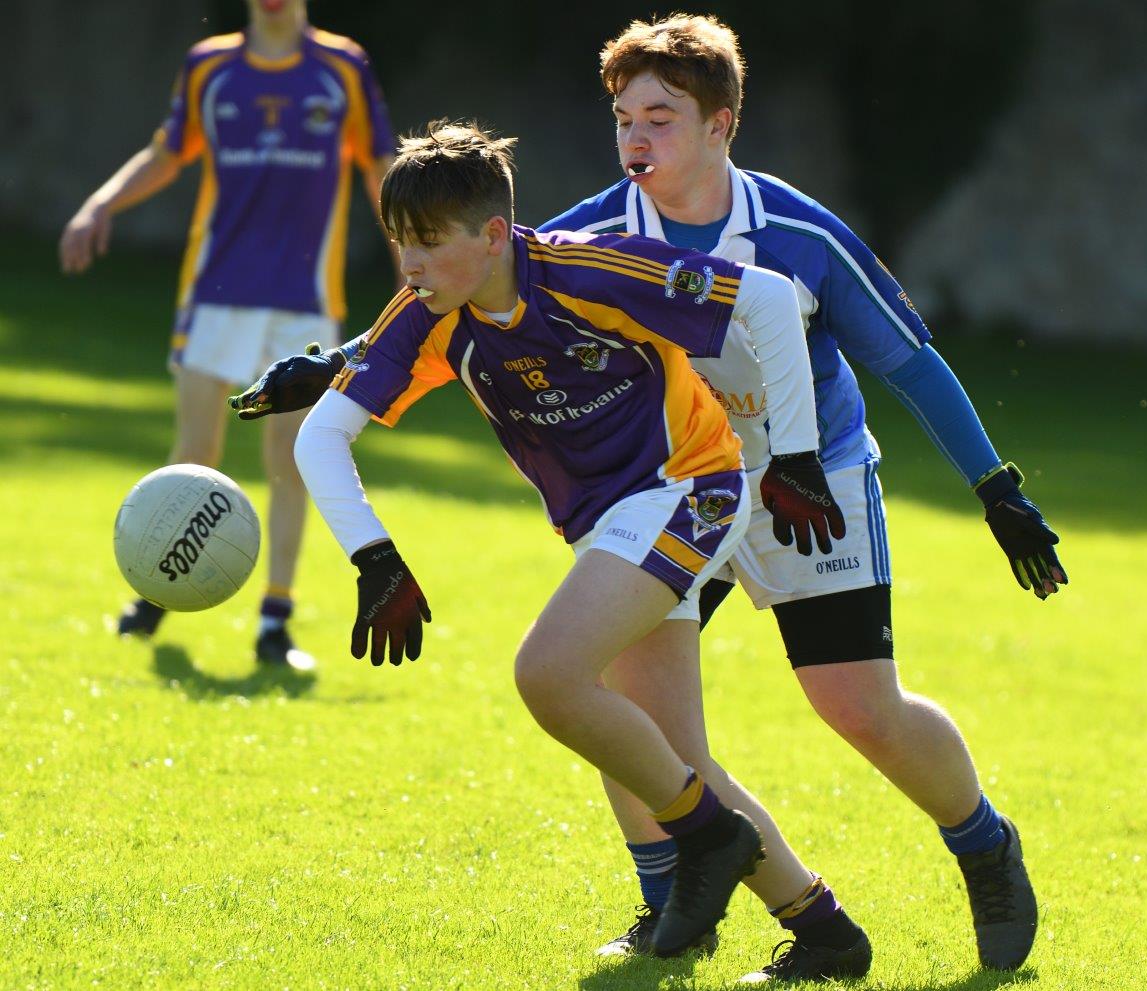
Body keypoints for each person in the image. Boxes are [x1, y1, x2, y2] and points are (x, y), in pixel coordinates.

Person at [251, 118, 876, 978]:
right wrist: (375, 558)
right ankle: (826, 932)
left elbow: (766, 300)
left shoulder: (587, 269)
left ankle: (708, 841)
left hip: (694, 487)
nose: (411, 265)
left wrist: (797, 455)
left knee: (547, 675)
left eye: (429, 243)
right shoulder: (426, 315)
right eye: (400, 242)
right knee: (672, 751)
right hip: (610, 522)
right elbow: (321, 437)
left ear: (494, 234)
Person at [532, 13, 1069, 977]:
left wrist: (997, 488)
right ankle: (673, 905)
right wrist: (342, 368)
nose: (636, 138)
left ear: (720, 125)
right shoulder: (587, 236)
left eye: (661, 116)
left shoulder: (797, 233)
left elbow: (911, 363)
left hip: (809, 485)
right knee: (632, 712)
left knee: (860, 708)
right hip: (671, 489)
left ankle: (984, 844)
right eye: (623, 119)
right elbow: (463, 294)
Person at [59, 0, 396, 669]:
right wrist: (101, 202)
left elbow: (380, 169)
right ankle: (158, 589)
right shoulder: (209, 68)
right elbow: (166, 153)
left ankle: (275, 618)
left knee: (292, 457)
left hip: (304, 300)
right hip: (215, 294)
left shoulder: (342, 68)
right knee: (194, 450)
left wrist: (412, 258)